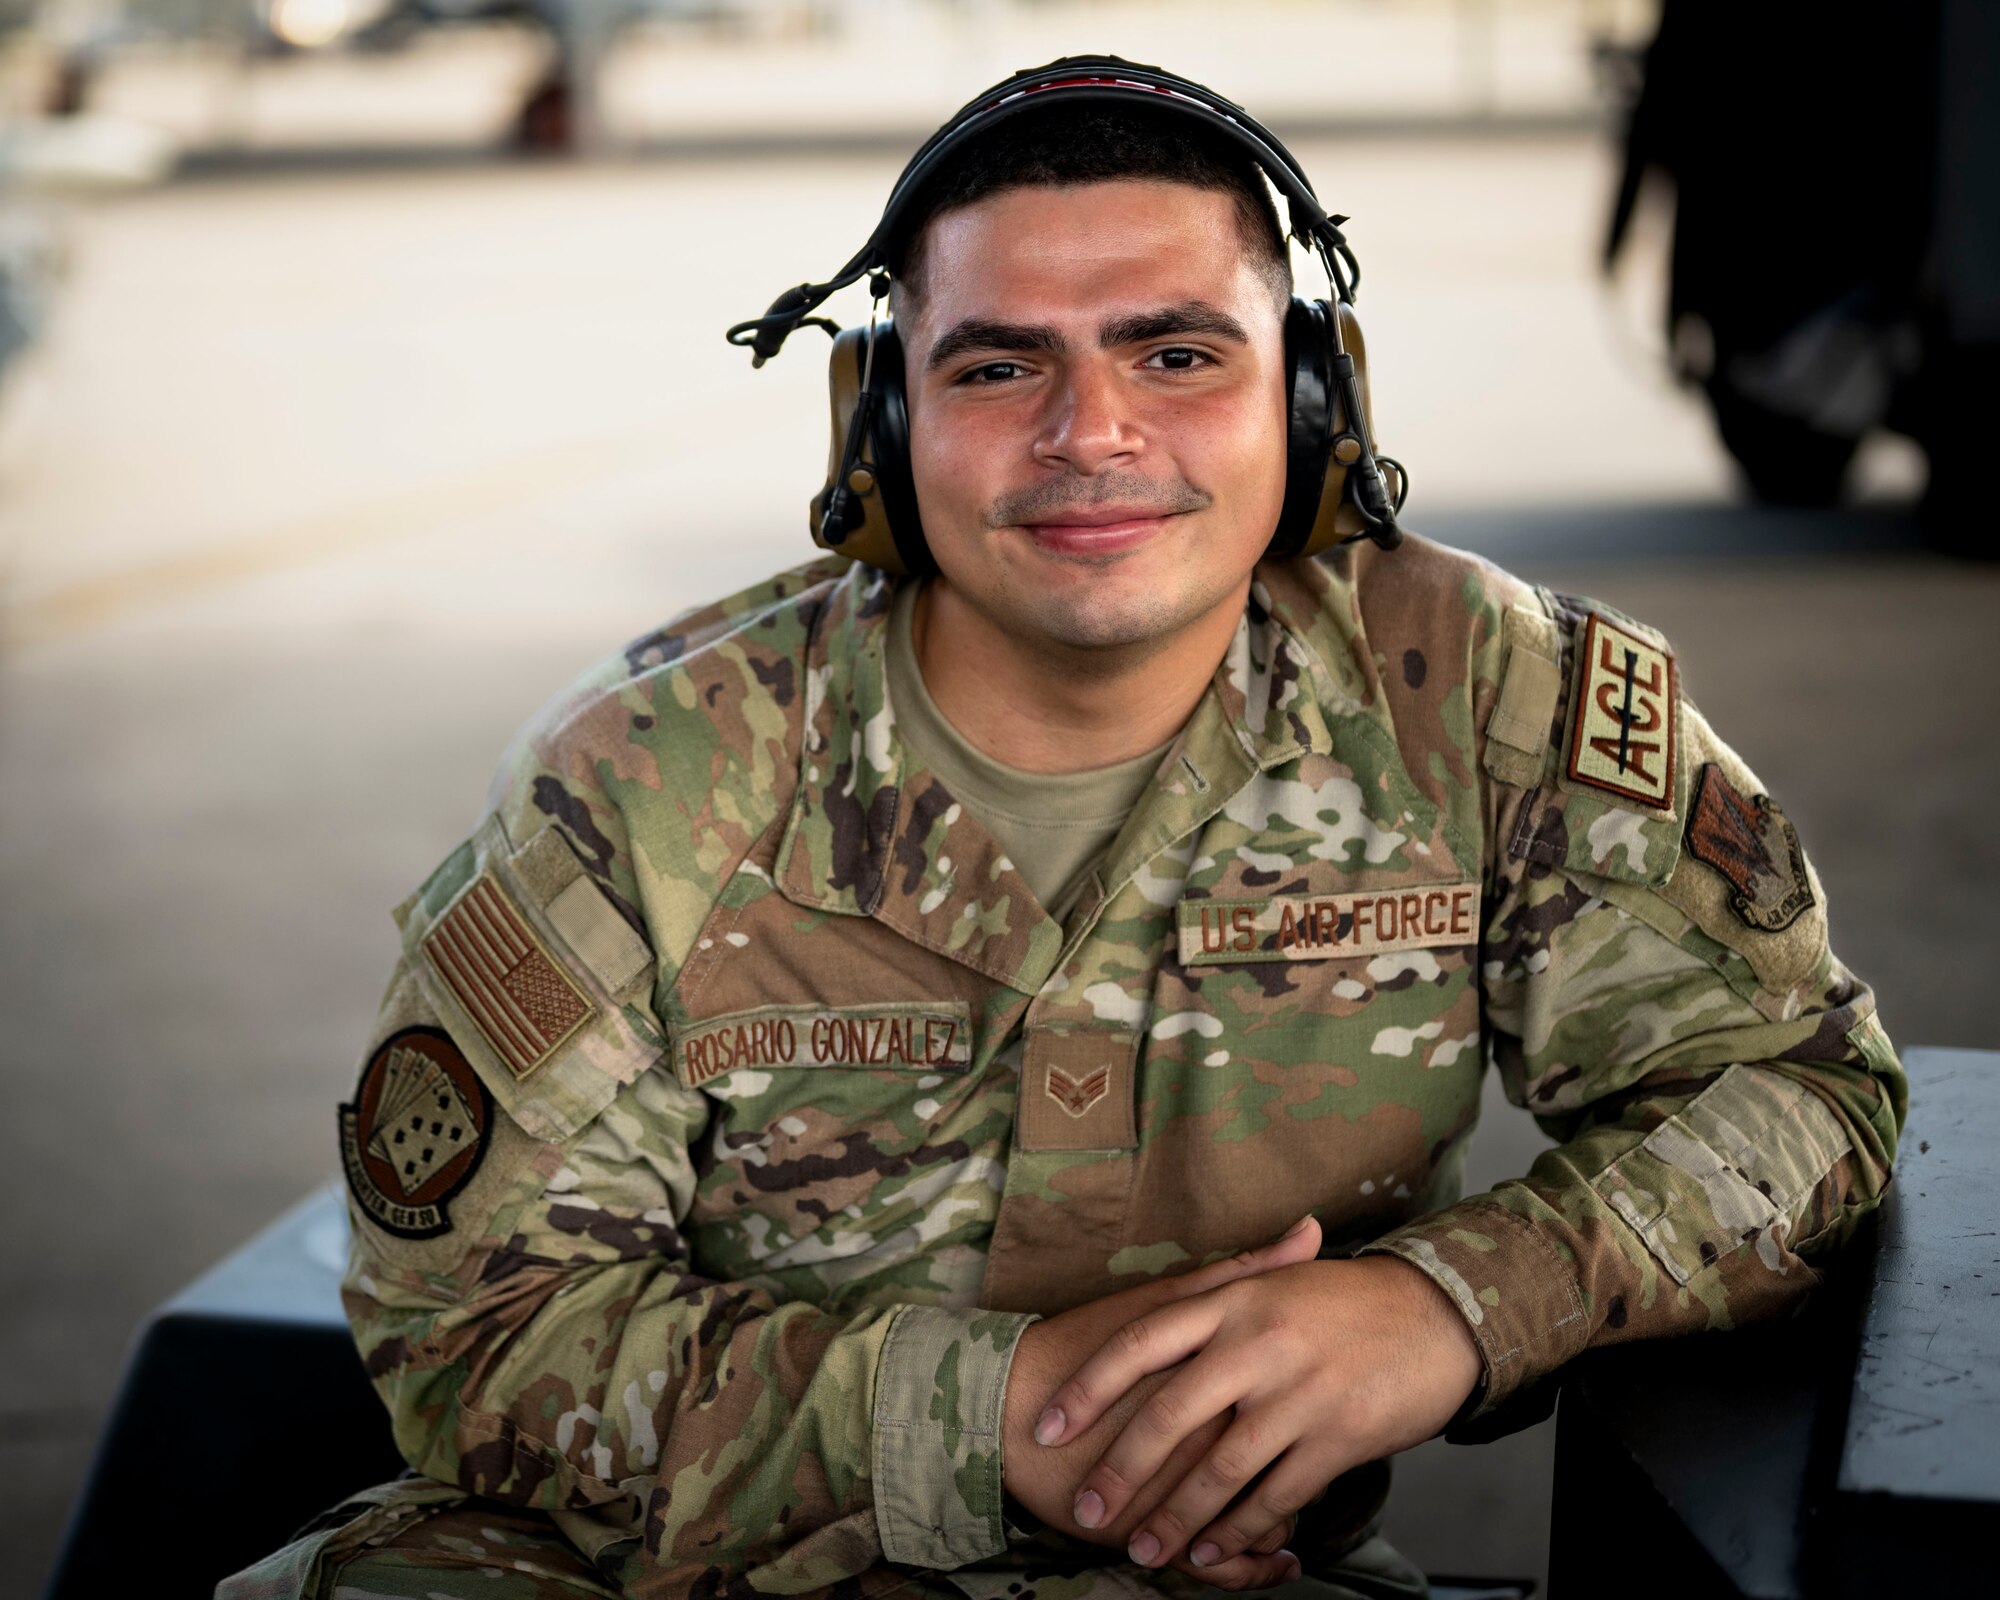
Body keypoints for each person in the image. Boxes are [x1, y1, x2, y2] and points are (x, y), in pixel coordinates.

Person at [220, 58, 1906, 1600]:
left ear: (1314, 405)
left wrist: (1448, 1309)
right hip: (686, 1563)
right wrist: (994, 1421)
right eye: (999, 364)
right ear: (881, 426)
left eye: (1178, 354)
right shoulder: (651, 779)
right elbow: (478, 1335)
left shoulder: (1480, 699)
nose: (1091, 434)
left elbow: (1799, 1089)